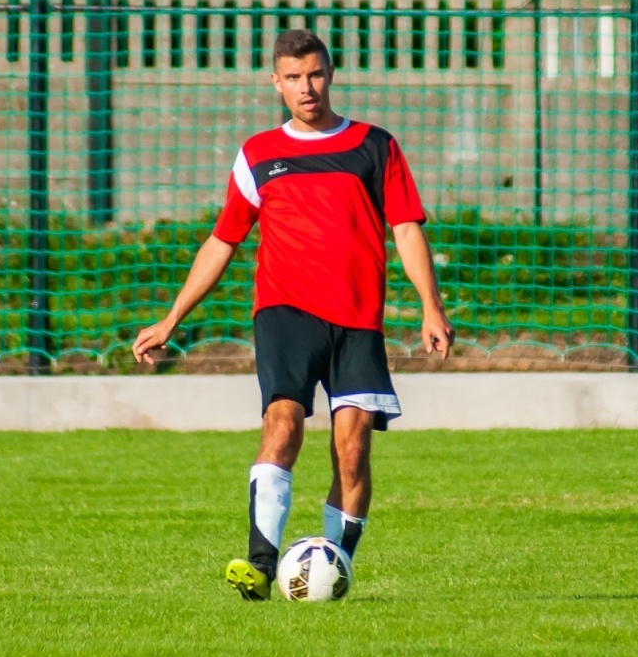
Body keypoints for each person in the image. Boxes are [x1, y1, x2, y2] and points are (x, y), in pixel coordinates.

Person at [133, 29, 454, 599]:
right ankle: (260, 565)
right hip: (285, 312)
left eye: (315, 74)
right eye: (294, 78)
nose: (307, 88)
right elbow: (222, 241)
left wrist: (431, 306)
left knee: (352, 451)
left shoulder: (374, 145)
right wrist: (171, 318)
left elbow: (405, 228)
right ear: (276, 83)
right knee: (282, 424)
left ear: (330, 73)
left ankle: (333, 566)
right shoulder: (259, 153)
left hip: (358, 318)